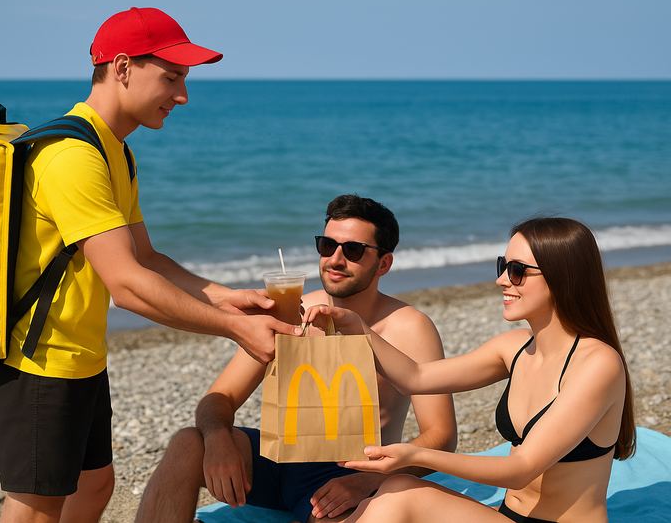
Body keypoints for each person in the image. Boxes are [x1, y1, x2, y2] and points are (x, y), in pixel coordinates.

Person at [0, 7, 302, 523]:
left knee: (94, 485)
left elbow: (147, 259)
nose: (183, 95)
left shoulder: (113, 149)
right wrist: (234, 328)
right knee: (38, 505)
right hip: (39, 359)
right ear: (123, 67)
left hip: (82, 354)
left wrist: (227, 296)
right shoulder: (72, 156)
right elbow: (127, 285)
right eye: (172, 77)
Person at [135, 194, 458, 523]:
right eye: (327, 246)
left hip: (349, 473)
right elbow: (220, 397)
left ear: (384, 263)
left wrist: (369, 480)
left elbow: (441, 435)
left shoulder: (408, 328)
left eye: (353, 250)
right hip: (277, 460)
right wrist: (218, 439)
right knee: (188, 443)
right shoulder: (295, 311)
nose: (335, 259)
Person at [303, 216, 636, 523]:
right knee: (396, 488)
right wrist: (359, 328)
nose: (501, 280)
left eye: (517, 271)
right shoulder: (515, 347)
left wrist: (416, 455)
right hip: (507, 516)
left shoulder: (598, 364)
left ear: (562, 277)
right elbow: (415, 377)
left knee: (401, 496)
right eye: (503, 266)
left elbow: (521, 468)